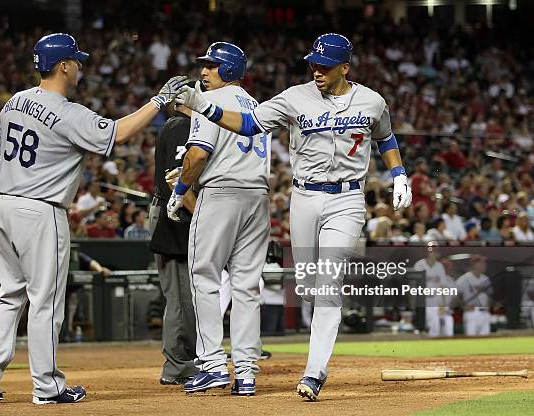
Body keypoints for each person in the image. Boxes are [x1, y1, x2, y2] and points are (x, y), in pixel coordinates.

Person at [175, 33, 412, 401]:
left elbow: (387, 138)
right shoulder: (294, 97)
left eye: (325, 66)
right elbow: (250, 124)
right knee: (307, 287)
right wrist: (207, 109)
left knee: (328, 284)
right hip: (303, 197)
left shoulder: (372, 101)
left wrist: (398, 174)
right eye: (313, 64)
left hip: (347, 199)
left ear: (344, 68)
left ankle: (314, 373)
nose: (316, 71)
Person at [0, 32, 187, 405]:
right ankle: (47, 386)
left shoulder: (15, 102)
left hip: (4, 205)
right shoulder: (68, 113)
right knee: (47, 301)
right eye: (77, 61)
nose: (81, 67)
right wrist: (159, 101)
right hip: (41, 211)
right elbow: (118, 133)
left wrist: (16, 186)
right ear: (63, 65)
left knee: (8, 295)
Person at [167, 42, 270, 396]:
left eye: (211, 66)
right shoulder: (255, 105)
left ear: (228, 70)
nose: (203, 72)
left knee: (204, 276)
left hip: (221, 193)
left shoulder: (209, 104)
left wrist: (180, 190)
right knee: (246, 287)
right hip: (258, 197)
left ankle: (211, 363)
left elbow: (196, 155)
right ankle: (245, 372)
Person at [149, 90, 200, 386]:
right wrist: (200, 214)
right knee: (181, 296)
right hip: (177, 213)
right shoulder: (182, 126)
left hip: (175, 210)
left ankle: (187, 359)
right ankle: (179, 364)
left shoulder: (177, 125)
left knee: (186, 294)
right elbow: (175, 178)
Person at [413, 245, 455, 337]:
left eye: (435, 252)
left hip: (436, 298)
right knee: (427, 325)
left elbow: (442, 287)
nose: (433, 253)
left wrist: (443, 304)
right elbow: (413, 285)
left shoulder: (439, 266)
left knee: (436, 324)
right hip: (423, 299)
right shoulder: (420, 265)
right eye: (431, 251)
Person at [456, 255, 492, 336]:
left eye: (484, 263)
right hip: (471, 313)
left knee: (485, 341)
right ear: (474, 264)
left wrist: (488, 307)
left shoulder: (486, 279)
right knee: (471, 340)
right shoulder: (465, 279)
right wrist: (463, 306)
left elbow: (490, 296)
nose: (484, 265)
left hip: (484, 313)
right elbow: (455, 294)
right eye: (481, 263)